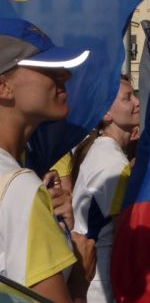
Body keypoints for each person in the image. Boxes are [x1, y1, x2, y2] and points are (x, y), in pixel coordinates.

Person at [0, 18, 89, 301]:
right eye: (47, 68)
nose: (65, 76)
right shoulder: (19, 187)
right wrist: (81, 278)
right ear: (4, 87)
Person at [71, 76, 140, 302]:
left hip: (99, 280)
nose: (137, 102)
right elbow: (127, 233)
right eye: (127, 98)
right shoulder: (112, 163)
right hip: (104, 285)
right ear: (106, 115)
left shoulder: (106, 152)